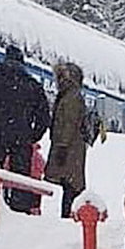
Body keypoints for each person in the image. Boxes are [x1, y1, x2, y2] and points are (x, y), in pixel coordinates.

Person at [0, 44, 50, 213]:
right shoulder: (32, 84)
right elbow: (44, 116)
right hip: (22, 138)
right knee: (20, 178)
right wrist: (32, 136)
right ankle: (19, 211)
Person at [44, 62, 87, 219]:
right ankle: (69, 213)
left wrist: (62, 145)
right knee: (70, 182)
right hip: (72, 146)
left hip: (69, 147)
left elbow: (69, 122)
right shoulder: (71, 95)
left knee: (71, 183)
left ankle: (69, 215)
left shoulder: (71, 97)